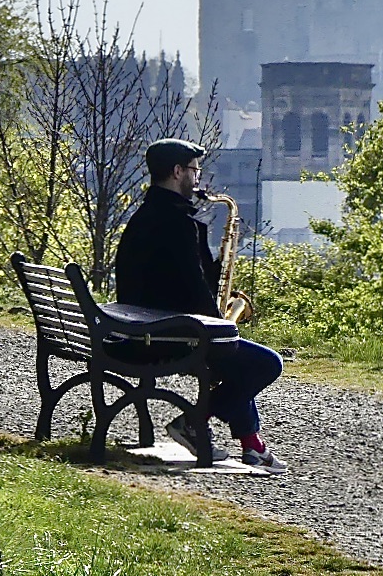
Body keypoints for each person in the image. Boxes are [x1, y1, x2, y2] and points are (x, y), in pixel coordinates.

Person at [115, 138, 287, 473]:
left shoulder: (150, 216)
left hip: (150, 328)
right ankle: (195, 422)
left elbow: (177, 278)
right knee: (266, 364)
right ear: (177, 171)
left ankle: (253, 447)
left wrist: (214, 264)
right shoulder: (175, 223)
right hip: (170, 335)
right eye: (194, 170)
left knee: (238, 362)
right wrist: (223, 327)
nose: (198, 178)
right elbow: (192, 289)